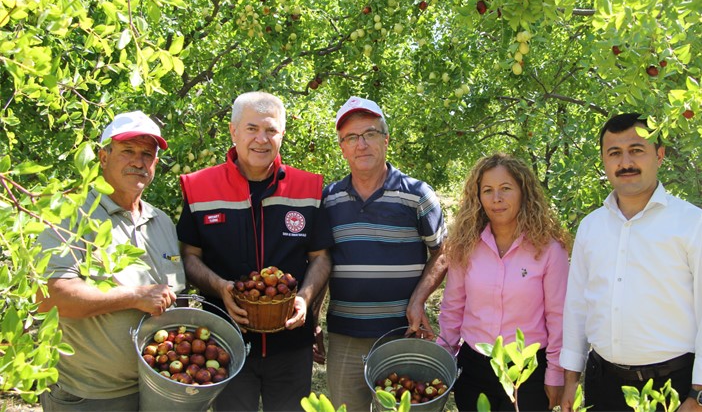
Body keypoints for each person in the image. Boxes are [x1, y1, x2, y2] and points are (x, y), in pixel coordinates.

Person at [559, 113, 702, 412]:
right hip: (602, 384)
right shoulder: (591, 227)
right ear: (604, 160)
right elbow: (577, 306)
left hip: (672, 389)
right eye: (614, 153)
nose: (625, 162)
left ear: (660, 155)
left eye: (636, 150)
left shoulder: (697, 226)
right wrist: (570, 380)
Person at [176, 91, 332, 411]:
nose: (261, 139)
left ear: (282, 135)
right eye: (251, 129)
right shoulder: (200, 187)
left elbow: (321, 258)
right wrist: (220, 286)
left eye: (271, 130)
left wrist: (304, 297)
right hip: (223, 345)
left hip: (291, 345)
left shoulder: (308, 188)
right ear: (233, 131)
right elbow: (189, 256)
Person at [37, 111, 186, 411]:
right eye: (127, 151)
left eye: (147, 154)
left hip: (157, 387)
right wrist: (134, 296)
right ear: (103, 157)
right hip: (92, 396)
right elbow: (52, 297)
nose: (138, 161)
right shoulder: (69, 214)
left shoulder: (162, 223)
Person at [322, 96, 447, 411]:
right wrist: (312, 318)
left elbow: (443, 253)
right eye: (351, 137)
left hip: (401, 335)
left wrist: (419, 300)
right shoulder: (328, 199)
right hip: (345, 335)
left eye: (370, 134)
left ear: (386, 140)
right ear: (342, 147)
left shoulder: (417, 195)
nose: (361, 144)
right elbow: (320, 261)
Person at [438, 153, 570, 412]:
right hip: (474, 368)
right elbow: (453, 306)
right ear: (478, 197)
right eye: (487, 190)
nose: (496, 199)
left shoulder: (549, 250)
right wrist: (443, 358)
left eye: (505, 189)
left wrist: (555, 373)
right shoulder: (466, 246)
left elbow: (559, 317)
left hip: (526, 371)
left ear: (524, 192)